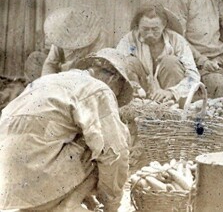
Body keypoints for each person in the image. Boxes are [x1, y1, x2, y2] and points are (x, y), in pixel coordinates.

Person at [0, 48, 133, 212]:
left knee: (79, 134)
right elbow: (115, 154)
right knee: (109, 140)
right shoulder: (98, 88)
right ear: (114, 79)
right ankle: (68, 206)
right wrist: (111, 205)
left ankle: (62, 201)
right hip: (39, 184)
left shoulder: (46, 81)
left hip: (8, 190)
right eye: (118, 91)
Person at [117, 3, 201, 104]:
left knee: (171, 62)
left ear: (164, 25)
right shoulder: (129, 40)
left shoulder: (176, 40)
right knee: (128, 62)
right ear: (138, 26)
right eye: (145, 29)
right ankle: (134, 104)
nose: (150, 34)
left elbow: (193, 76)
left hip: (171, 96)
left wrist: (172, 92)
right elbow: (115, 67)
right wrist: (131, 85)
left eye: (155, 29)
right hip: (140, 94)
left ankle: (172, 109)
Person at [40, 6, 107, 76]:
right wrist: (46, 82)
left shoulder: (98, 34)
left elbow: (99, 64)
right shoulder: (60, 34)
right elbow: (50, 63)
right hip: (63, 75)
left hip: (87, 76)